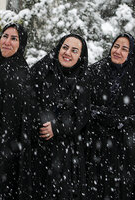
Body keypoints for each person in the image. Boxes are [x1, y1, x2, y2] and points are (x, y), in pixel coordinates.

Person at [85, 34, 135, 200]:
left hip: (123, 153)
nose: (118, 51)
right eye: (116, 46)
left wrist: (122, 122)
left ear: (132, 53)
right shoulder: (94, 72)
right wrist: (102, 114)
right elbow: (83, 105)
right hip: (94, 148)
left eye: (124, 49)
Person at [30, 34, 90, 200]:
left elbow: (82, 116)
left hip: (63, 155)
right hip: (35, 148)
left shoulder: (82, 81)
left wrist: (57, 127)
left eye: (74, 50)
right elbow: (28, 98)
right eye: (65, 47)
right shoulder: (43, 70)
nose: (67, 53)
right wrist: (40, 121)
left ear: (80, 57)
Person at [0, 23, 33, 200]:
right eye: (5, 36)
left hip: (5, 146)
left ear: (21, 44)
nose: (7, 42)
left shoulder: (24, 74)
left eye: (14, 38)